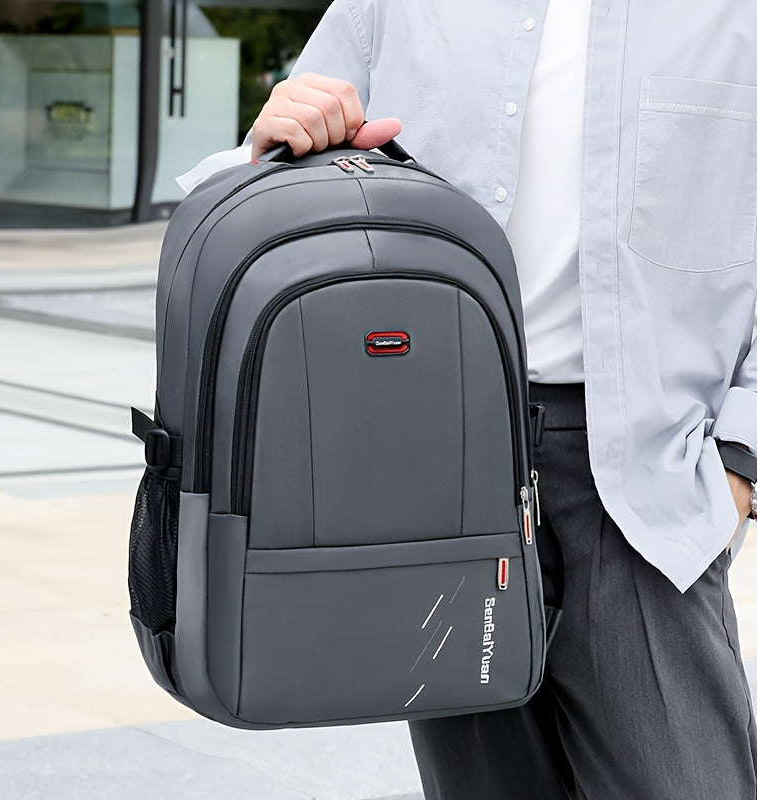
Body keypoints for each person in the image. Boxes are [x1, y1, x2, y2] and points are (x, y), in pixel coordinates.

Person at [182, 2, 757, 797]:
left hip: (649, 476)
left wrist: (739, 461)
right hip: (443, 459)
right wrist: (270, 142)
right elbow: (281, 178)